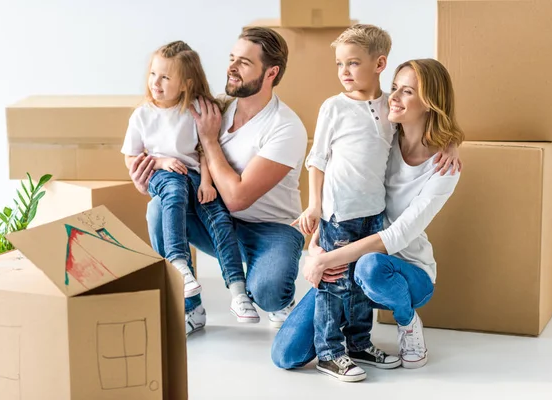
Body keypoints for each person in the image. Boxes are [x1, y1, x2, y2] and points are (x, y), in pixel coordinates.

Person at [272, 58, 464, 377]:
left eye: (407, 92)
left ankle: (407, 321)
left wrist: (323, 261)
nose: (394, 98)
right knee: (287, 354)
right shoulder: (382, 137)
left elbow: (397, 237)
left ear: (430, 103)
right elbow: (342, 187)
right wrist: (320, 245)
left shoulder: (444, 167)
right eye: (394, 89)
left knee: (371, 265)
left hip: (408, 274)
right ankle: (352, 339)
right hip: (350, 257)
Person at [129, 27, 308, 336]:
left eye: (245, 63)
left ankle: (276, 296)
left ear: (271, 73)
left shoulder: (286, 127)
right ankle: (191, 308)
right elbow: (170, 153)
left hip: (272, 230)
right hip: (218, 221)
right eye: (231, 58)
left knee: (267, 292)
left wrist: (211, 141)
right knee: (158, 208)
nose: (232, 68)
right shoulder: (215, 108)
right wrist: (145, 176)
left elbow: (238, 197)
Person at [121, 41, 249, 320]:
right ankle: (180, 265)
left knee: (218, 216)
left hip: (193, 176)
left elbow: (204, 149)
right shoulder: (143, 114)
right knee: (174, 190)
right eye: (154, 74)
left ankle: (238, 291)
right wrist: (159, 162)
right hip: (162, 175)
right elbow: (131, 158)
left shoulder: (194, 111)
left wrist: (206, 183)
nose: (156, 82)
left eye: (165, 77)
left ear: (185, 84)